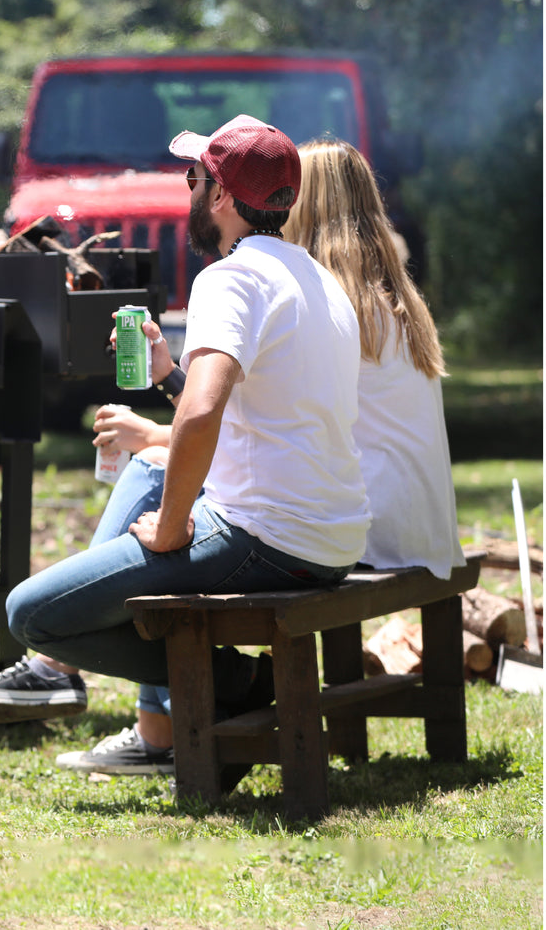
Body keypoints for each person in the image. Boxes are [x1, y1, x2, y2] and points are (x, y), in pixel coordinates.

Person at [55, 137, 465, 777]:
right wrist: (170, 388)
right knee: (159, 469)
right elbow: (275, 427)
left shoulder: (324, 299)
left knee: (150, 475)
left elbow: (277, 436)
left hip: (356, 522)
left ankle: (141, 712)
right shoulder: (375, 298)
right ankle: (156, 713)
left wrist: (158, 437)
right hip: (398, 517)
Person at [0, 114, 371, 754]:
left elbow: (206, 411)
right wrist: (170, 376)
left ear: (219, 195)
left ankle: (236, 681)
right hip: (334, 535)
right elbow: (257, 410)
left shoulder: (230, 278)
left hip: (267, 535)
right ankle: (178, 709)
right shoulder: (317, 279)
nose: (188, 190)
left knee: (32, 613)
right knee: (150, 472)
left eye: (193, 176)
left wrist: (173, 522)